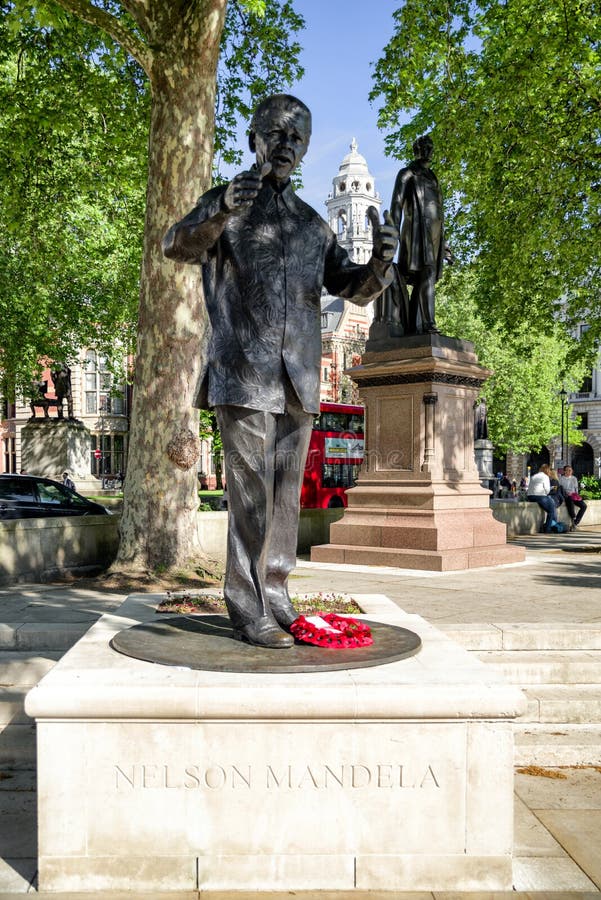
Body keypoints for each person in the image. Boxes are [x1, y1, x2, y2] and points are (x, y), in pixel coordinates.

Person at [163, 94, 397, 649]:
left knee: (287, 494)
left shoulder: (313, 225)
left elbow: (350, 285)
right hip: (243, 375)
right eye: (277, 134)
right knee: (250, 495)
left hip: (299, 380)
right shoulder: (227, 204)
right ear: (254, 139)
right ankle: (246, 606)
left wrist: (381, 263)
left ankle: (277, 591)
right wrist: (219, 207)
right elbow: (176, 243)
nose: (287, 145)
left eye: (299, 138)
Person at [527, 463, 556, 533]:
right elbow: (547, 490)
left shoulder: (534, 476)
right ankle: (548, 528)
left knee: (550, 502)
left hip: (530, 496)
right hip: (539, 496)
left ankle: (551, 526)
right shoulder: (545, 477)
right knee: (551, 510)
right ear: (547, 470)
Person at [559, 465, 587, 530]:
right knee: (570, 502)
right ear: (564, 471)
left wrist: (576, 495)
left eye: (570, 470)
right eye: (567, 470)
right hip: (566, 495)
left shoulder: (574, 478)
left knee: (584, 506)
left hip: (574, 495)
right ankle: (573, 518)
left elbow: (576, 488)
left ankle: (575, 522)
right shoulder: (561, 479)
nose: (569, 472)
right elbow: (560, 489)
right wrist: (566, 493)